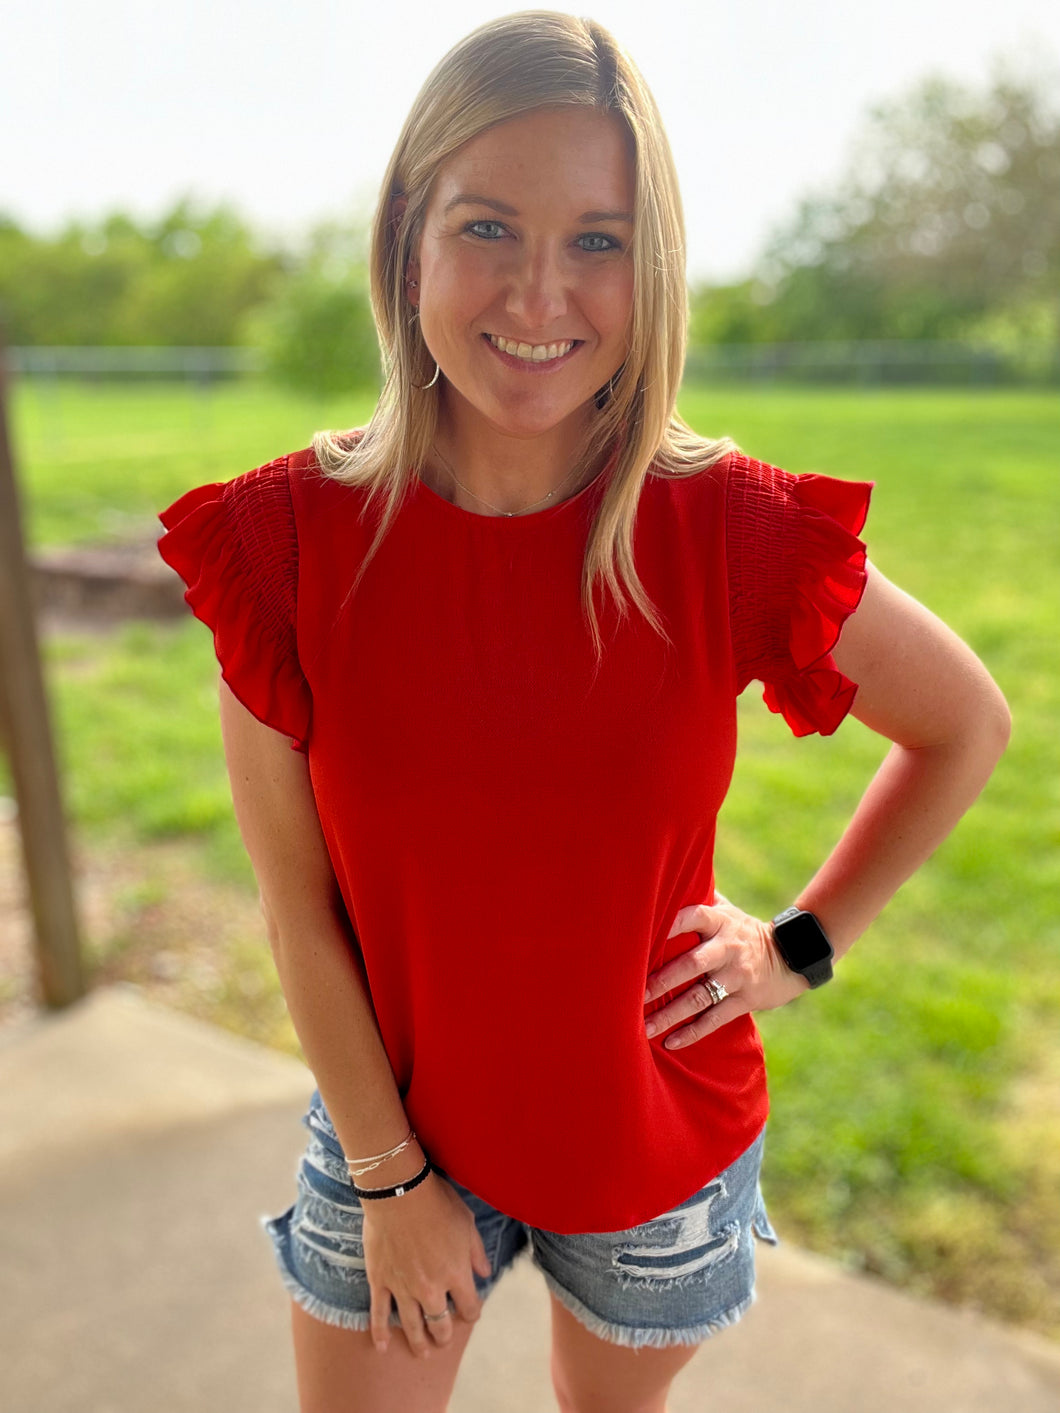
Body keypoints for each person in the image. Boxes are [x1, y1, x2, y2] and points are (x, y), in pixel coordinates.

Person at [156, 11, 1011, 1413]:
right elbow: (296, 905)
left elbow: (963, 722)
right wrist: (392, 1177)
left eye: (598, 241)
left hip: (655, 1155)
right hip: (394, 1125)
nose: (540, 293)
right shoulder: (287, 545)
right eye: (487, 227)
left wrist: (800, 943)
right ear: (406, 239)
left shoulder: (725, 528)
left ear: (650, 264)